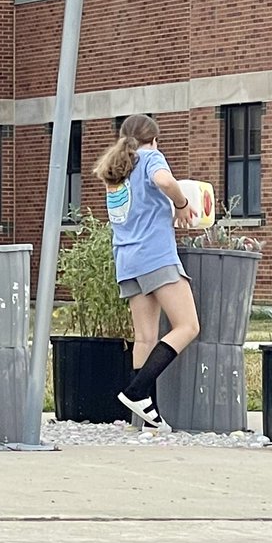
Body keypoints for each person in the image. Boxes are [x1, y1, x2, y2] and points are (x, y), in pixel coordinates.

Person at [93, 114, 200, 433]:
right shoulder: (150, 156)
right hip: (156, 256)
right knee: (188, 326)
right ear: (153, 139)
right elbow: (165, 182)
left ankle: (143, 421)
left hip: (127, 260)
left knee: (145, 337)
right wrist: (181, 204)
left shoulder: (117, 169)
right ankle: (136, 391)